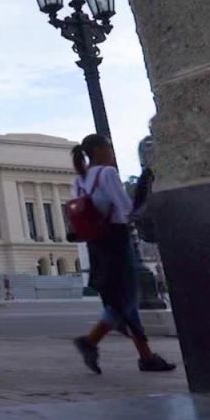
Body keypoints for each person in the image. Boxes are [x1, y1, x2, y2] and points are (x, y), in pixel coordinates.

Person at [70, 134, 177, 374]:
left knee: (121, 300)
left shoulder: (78, 181)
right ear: (99, 150)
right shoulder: (106, 174)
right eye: (109, 147)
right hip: (115, 241)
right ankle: (89, 341)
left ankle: (147, 357)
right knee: (126, 299)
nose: (112, 152)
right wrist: (142, 191)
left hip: (95, 245)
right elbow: (127, 209)